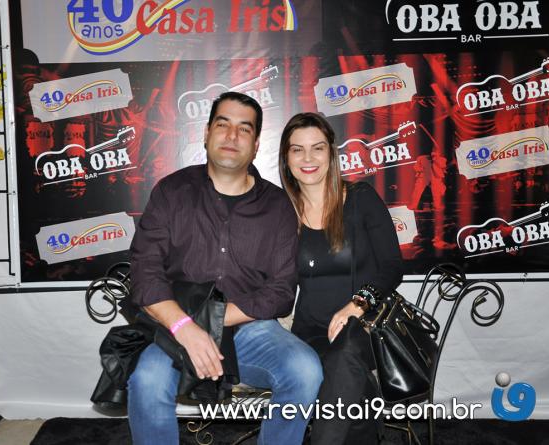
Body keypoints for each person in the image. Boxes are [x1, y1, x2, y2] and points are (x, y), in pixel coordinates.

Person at [127, 93, 323, 445]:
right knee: (147, 380)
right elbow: (144, 273)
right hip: (178, 327)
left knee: (305, 370)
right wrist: (187, 327)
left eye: (244, 129)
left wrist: (211, 319)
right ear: (206, 133)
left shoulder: (277, 205)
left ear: (256, 144)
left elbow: (281, 293)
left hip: (250, 329)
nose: (232, 136)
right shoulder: (172, 191)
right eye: (223, 124)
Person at [278, 112, 404, 444]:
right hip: (311, 332)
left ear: (331, 153)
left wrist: (357, 305)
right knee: (350, 388)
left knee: (345, 354)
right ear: (286, 158)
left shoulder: (361, 198)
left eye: (317, 148)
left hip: (366, 326)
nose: (308, 158)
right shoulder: (282, 214)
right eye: (297, 150)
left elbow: (392, 266)